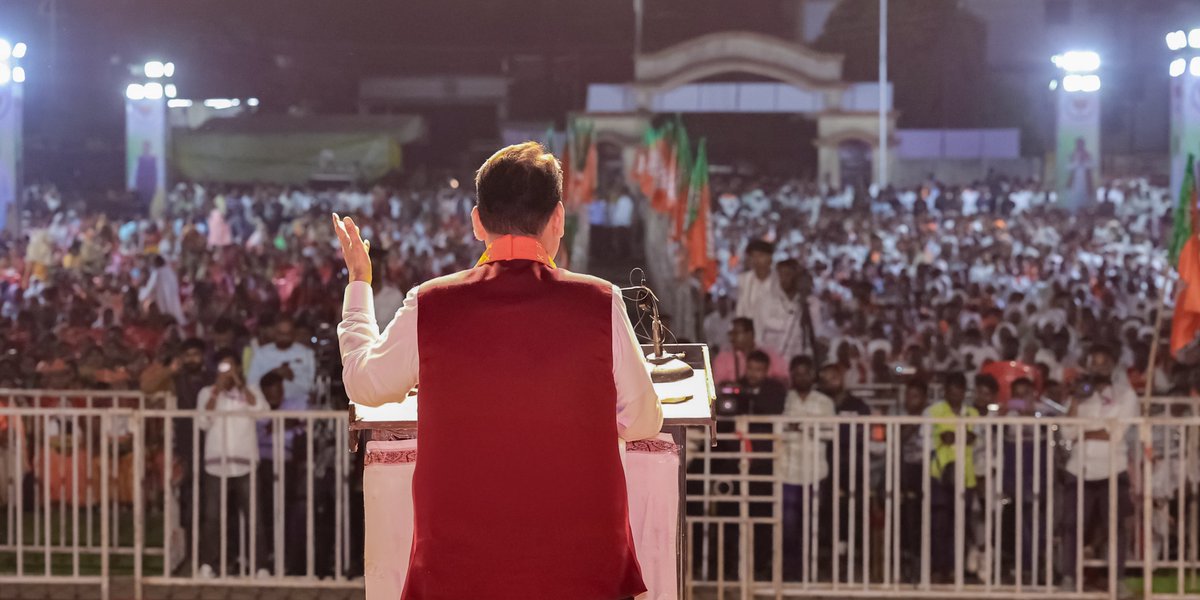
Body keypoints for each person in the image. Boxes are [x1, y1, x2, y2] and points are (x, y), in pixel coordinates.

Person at [336, 142, 663, 599]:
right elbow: (644, 419)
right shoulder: (601, 300)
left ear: (477, 221)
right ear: (558, 219)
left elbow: (364, 384)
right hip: (582, 569)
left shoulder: (431, 303)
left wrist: (359, 283)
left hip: (459, 569)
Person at [1059, 345, 1138, 598]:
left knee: (1115, 527)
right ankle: (1069, 577)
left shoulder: (1126, 395)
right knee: (1072, 525)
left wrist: (1084, 432)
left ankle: (1118, 580)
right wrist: (1074, 400)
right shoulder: (1080, 394)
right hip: (1079, 467)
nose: (1099, 368)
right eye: (1095, 363)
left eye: (1105, 363)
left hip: (1113, 468)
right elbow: (1066, 432)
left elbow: (1116, 433)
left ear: (1114, 365)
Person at [196, 351, 269, 579]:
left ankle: (260, 566)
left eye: (231, 367)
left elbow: (263, 413)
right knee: (212, 517)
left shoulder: (251, 391)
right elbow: (202, 421)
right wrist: (216, 391)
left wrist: (240, 385)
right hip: (215, 463)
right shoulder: (206, 392)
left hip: (245, 462)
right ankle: (209, 564)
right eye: (223, 368)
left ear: (238, 368)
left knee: (254, 517)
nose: (227, 372)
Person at [780, 356, 834, 582]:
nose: (801, 377)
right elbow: (776, 430)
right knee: (788, 527)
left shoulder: (824, 402)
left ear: (813, 376)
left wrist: (805, 427)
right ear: (792, 375)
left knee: (811, 526)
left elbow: (831, 432)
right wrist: (789, 427)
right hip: (786, 472)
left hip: (814, 472)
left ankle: (809, 574)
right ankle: (789, 574)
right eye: (797, 373)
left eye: (805, 373)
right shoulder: (784, 399)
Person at [926, 372, 979, 582]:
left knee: (960, 526)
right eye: (952, 391)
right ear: (945, 391)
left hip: (966, 477)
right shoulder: (933, 411)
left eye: (959, 391)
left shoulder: (972, 413)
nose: (956, 395)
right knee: (939, 525)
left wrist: (970, 438)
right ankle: (938, 569)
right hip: (940, 476)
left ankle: (955, 569)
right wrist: (942, 438)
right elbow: (924, 439)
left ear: (964, 392)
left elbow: (980, 441)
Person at [759, 259, 817, 362]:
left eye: (788, 275)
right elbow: (763, 325)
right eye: (780, 275)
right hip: (771, 359)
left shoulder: (809, 303)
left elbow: (812, 333)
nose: (783, 279)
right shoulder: (768, 299)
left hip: (796, 361)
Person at [711, 317, 787, 386]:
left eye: (736, 333)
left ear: (749, 334)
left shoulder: (771, 355)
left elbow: (784, 380)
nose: (732, 338)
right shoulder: (723, 358)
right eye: (730, 334)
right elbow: (717, 385)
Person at [735, 239, 778, 340]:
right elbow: (740, 310)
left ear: (770, 258)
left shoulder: (778, 280)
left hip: (774, 336)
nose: (756, 260)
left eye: (760, 256)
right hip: (750, 337)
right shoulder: (744, 280)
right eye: (753, 256)